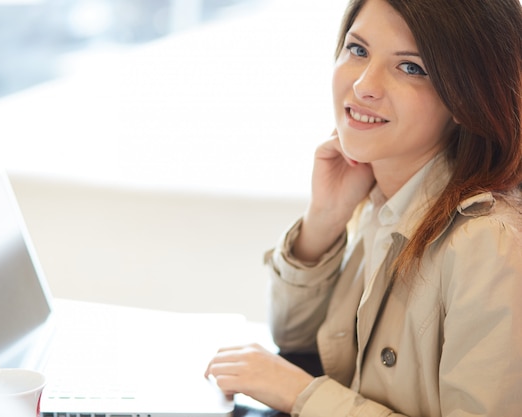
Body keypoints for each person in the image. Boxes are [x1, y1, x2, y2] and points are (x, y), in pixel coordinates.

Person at [204, 0, 522, 415]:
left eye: (411, 67)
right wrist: (324, 220)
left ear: (467, 98)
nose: (364, 86)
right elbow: (295, 337)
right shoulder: (387, 196)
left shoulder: (492, 240)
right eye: (358, 50)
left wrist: (302, 395)